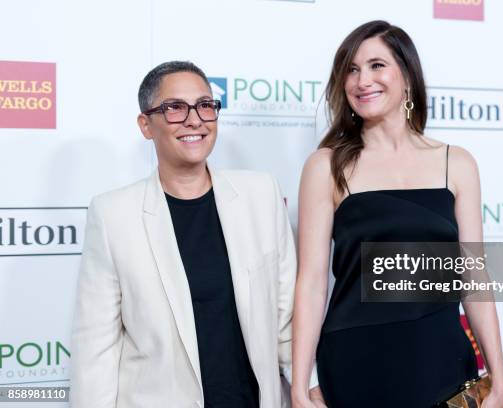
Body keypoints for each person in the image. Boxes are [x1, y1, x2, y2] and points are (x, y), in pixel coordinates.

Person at [71, 61, 319, 408]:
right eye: (174, 108)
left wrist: (306, 388)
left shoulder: (260, 195)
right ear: (146, 124)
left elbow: (285, 319)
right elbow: (95, 348)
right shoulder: (113, 215)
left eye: (205, 105)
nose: (194, 119)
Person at [292, 21, 503, 408]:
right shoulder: (325, 166)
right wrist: (298, 386)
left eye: (377, 65)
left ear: (407, 76)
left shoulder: (455, 163)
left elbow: (474, 275)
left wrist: (498, 371)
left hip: (440, 359)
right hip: (355, 360)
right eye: (352, 70)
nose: (363, 80)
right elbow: (311, 284)